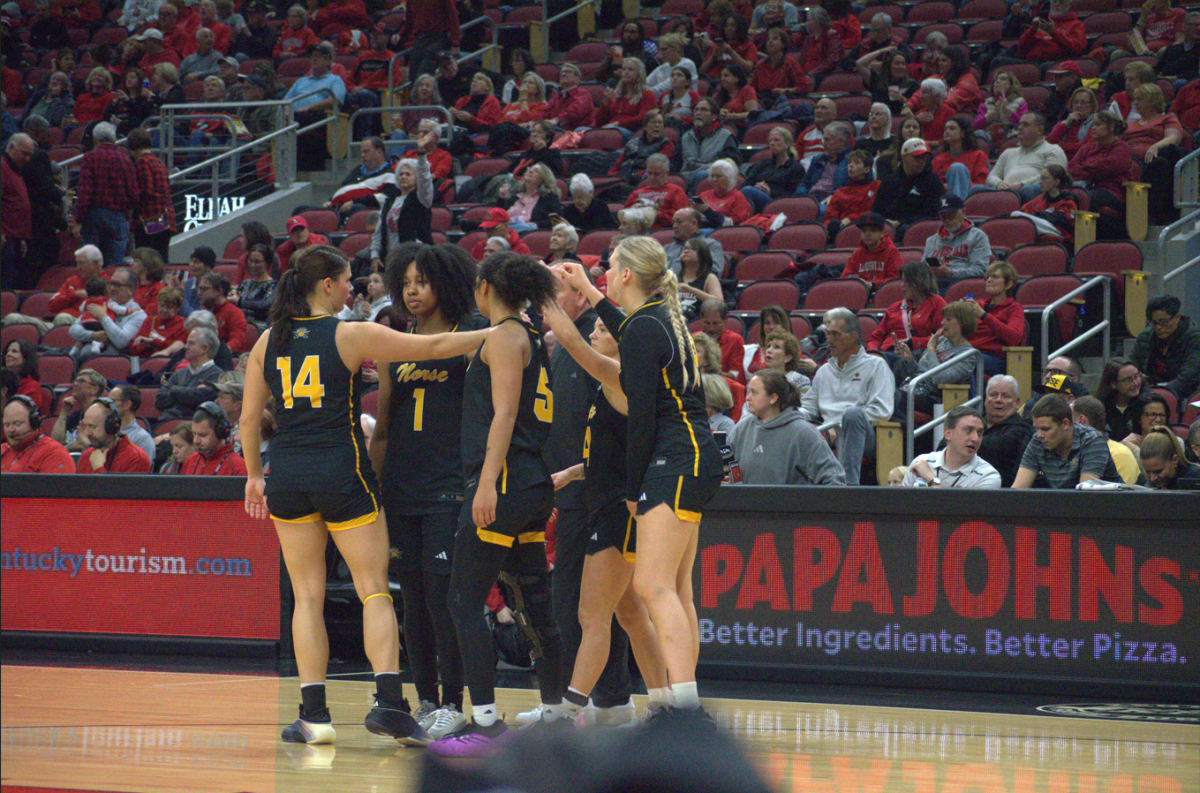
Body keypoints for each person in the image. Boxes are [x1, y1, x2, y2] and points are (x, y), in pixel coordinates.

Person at [240, 244, 492, 747]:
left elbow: (248, 420)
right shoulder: (350, 333)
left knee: (306, 596)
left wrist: (252, 476)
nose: (351, 289)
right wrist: (499, 331)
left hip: (286, 474)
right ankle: (390, 704)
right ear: (326, 285)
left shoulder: (269, 339)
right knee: (374, 589)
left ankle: (313, 716)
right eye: (346, 281)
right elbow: (437, 347)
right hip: (341, 472)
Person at [556, 236, 723, 723]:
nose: (605, 273)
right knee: (675, 591)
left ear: (626, 273)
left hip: (675, 459)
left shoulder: (646, 326)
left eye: (609, 267)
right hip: (693, 457)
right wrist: (588, 289)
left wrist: (633, 491)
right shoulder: (650, 321)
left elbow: (644, 422)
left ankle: (685, 711)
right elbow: (623, 328)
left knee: (652, 587)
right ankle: (678, 704)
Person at [418, 253, 565, 756]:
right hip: (531, 483)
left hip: (503, 482)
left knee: (463, 600)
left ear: (485, 287)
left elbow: (503, 415)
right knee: (533, 603)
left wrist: (485, 483)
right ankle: (555, 715)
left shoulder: (503, 336)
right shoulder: (528, 333)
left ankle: (484, 724)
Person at [364, 244, 475, 739]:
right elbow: (384, 427)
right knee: (410, 597)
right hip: (401, 486)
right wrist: (373, 485)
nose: (412, 291)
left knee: (442, 596)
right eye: (406, 283)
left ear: (445, 284)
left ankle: (454, 701)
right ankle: (426, 698)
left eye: (422, 282)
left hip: (449, 486)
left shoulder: (469, 340)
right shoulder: (395, 346)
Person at [801, 308, 895, 485]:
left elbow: (881, 411)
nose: (830, 340)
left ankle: (849, 485)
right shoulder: (824, 371)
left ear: (853, 336)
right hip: (828, 431)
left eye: (836, 334)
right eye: (828, 334)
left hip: (865, 436)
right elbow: (808, 408)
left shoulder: (876, 365)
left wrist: (838, 427)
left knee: (852, 414)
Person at [728, 370, 843, 485]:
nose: (747, 398)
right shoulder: (741, 428)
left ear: (773, 398)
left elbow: (834, 480)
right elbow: (726, 469)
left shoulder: (804, 433)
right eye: (748, 392)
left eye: (754, 393)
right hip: (745, 497)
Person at [1013, 394, 1121, 488]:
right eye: (1036, 428)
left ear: (1065, 424)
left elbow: (1086, 495)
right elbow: (1018, 490)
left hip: (1109, 504)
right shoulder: (1038, 442)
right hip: (1066, 503)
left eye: (1046, 429)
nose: (1039, 435)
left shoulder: (1092, 441)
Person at [72, 122, 138, 267]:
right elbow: (134, 195)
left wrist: (79, 219)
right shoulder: (126, 160)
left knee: (91, 265)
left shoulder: (90, 157)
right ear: (114, 139)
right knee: (115, 265)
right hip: (118, 217)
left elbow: (85, 191)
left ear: (95, 139)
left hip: (93, 216)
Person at [1121, 83, 1186, 226]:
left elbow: (1174, 138)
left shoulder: (1166, 119)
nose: (1135, 103)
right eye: (1135, 99)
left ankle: (1150, 214)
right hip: (1127, 161)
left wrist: (1154, 146)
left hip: (1150, 159)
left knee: (1161, 162)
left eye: (1140, 99)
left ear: (1153, 101)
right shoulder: (1129, 124)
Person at [370, 129, 436, 269]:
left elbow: (425, 179)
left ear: (416, 178)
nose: (403, 177)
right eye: (400, 174)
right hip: (392, 260)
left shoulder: (422, 197)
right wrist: (375, 255)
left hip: (416, 258)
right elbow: (379, 231)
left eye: (408, 174)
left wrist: (421, 154)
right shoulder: (389, 201)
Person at [1067, 109, 1133, 239]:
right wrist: (1091, 169)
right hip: (1087, 187)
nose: (1093, 128)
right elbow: (1072, 169)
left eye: (1098, 124)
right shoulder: (1087, 147)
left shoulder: (1122, 148)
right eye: (1093, 124)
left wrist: (1085, 167)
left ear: (1111, 127)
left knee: (1087, 197)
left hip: (1113, 192)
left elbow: (1107, 167)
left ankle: (1080, 240)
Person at [977, 113, 1068, 203]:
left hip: (1030, 192)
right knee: (976, 189)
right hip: (1004, 191)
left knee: (1027, 190)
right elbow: (991, 176)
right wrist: (998, 183)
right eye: (1019, 124)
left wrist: (1022, 184)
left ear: (1039, 130)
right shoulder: (1008, 152)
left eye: (1026, 125)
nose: (1020, 128)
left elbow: (1053, 178)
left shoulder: (1053, 150)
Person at [903, 406, 1000, 488]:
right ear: (948, 434)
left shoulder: (987, 476)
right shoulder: (921, 463)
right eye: (968, 431)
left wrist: (931, 479)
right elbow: (903, 503)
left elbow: (950, 505)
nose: (975, 438)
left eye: (979, 433)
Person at [867, 260, 945, 356]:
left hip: (913, 355)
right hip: (884, 354)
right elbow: (876, 338)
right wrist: (873, 353)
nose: (901, 285)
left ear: (919, 282)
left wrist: (912, 342)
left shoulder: (936, 303)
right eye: (902, 281)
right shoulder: (894, 307)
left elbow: (943, 338)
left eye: (906, 281)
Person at [1131, 294, 1200, 401]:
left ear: (1177, 318)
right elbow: (1132, 364)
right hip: (1149, 393)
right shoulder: (1145, 337)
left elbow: (1188, 379)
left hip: (1184, 397)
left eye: (1163, 322)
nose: (1158, 327)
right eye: (1154, 323)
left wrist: (1157, 394)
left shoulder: (1194, 338)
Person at [67, 267, 148, 357]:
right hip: (91, 350)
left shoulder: (138, 315)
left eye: (117, 285)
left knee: (87, 353)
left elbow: (122, 342)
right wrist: (93, 335)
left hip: (115, 358)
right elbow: (73, 330)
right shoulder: (101, 303)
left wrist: (103, 317)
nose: (112, 289)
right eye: (111, 283)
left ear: (131, 290)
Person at [871, 138, 944, 236]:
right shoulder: (889, 181)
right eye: (917, 157)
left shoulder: (932, 181)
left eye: (923, 157)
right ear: (904, 157)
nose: (921, 161)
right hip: (888, 228)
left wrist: (900, 223)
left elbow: (933, 214)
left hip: (917, 229)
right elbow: (877, 210)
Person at [963, 261, 1024, 376]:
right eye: (987, 277)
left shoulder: (1014, 308)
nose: (989, 280)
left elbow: (1014, 337)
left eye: (995, 277)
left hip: (994, 358)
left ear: (1008, 284)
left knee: (965, 360)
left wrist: (983, 315)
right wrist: (959, 314)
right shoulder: (979, 305)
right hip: (969, 352)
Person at [155, 327, 225, 421]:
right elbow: (159, 400)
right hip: (166, 422)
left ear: (205, 348)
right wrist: (190, 395)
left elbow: (200, 400)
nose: (185, 347)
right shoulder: (179, 373)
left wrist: (173, 390)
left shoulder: (217, 375)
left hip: (194, 425)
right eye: (186, 343)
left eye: (191, 343)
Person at [127, 127, 176, 260]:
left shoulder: (142, 162)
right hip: (165, 217)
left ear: (133, 147)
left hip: (150, 218)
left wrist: (130, 199)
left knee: (146, 259)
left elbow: (146, 191)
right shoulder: (158, 161)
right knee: (160, 258)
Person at [978, 374, 1033, 488]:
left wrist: (961, 440)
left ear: (1017, 403)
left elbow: (995, 449)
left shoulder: (1022, 429)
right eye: (993, 395)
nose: (998, 400)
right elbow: (944, 444)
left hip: (1002, 490)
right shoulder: (972, 420)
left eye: (1006, 396)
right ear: (985, 399)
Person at [1072, 396, 1140, 485]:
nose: (1066, 426)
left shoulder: (1119, 454)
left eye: (1070, 419)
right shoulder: (1073, 452)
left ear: (1081, 420)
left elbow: (1124, 492)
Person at [673, 98, 739, 189]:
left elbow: (729, 166)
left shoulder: (725, 137)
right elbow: (675, 163)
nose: (698, 113)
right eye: (696, 110)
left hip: (710, 179)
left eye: (704, 110)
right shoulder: (686, 137)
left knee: (702, 175)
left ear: (714, 117)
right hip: (685, 177)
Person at [75, 398, 153, 473]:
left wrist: (98, 468)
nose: (87, 433)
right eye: (86, 426)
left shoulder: (136, 458)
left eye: (92, 426)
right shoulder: (87, 455)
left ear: (110, 426)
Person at [740, 126, 806, 214]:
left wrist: (770, 192)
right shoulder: (763, 164)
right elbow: (746, 184)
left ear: (787, 144)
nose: (772, 143)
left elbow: (793, 195)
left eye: (776, 140)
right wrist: (757, 187)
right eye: (770, 140)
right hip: (756, 198)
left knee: (747, 191)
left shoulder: (796, 168)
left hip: (778, 204)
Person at [1, 395, 73, 473]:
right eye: (7, 425)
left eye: (17, 424)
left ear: (34, 423)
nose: (11, 430)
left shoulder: (54, 453)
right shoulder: (2, 449)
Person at [1016, 164, 1078, 246]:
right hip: (1043, 228)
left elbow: (1064, 222)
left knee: (1018, 216)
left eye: (1044, 179)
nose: (1040, 182)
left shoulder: (1068, 201)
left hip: (1061, 232)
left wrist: (1038, 214)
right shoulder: (1040, 200)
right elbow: (1023, 211)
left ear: (1056, 182)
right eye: (1040, 178)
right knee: (1016, 216)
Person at [824, 150, 880, 238]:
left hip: (864, 228)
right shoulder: (839, 192)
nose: (850, 165)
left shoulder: (875, 186)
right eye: (849, 162)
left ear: (867, 169)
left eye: (856, 163)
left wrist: (849, 219)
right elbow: (830, 218)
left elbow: (871, 211)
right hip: (838, 231)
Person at [0, 134, 32, 290]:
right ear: (11, 147)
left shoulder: (14, 169)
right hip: (4, 238)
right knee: (4, 286)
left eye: (30, 155)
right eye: (24, 153)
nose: (27, 159)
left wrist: (22, 237)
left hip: (13, 236)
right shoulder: (2, 167)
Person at [624, 154, 689, 230]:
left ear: (666, 173)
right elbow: (623, 218)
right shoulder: (636, 193)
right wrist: (631, 211)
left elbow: (680, 219)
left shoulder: (676, 191)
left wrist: (655, 215)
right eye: (649, 173)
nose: (652, 177)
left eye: (656, 174)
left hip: (663, 230)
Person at [179, 401, 246, 474]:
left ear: (220, 432)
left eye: (202, 435)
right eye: (194, 434)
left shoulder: (238, 467)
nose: (196, 441)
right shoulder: (190, 461)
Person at [795, 121, 853, 206]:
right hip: (810, 199)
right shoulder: (817, 159)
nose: (823, 144)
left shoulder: (852, 162)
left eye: (827, 140)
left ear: (841, 141)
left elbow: (849, 189)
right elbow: (804, 183)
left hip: (830, 202)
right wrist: (801, 196)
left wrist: (834, 197)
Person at [50, 368, 106, 452]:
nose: (75, 384)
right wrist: (64, 412)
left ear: (94, 389)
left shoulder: (102, 416)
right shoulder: (75, 416)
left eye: (81, 381)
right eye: (76, 381)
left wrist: (64, 449)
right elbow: (55, 443)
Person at [935, 115, 990, 201]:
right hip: (942, 199)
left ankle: (958, 208)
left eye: (952, 128)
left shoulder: (979, 156)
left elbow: (982, 184)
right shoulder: (937, 160)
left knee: (957, 167)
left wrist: (956, 184)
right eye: (945, 129)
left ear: (963, 133)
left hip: (971, 198)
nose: (947, 132)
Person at [841, 212, 900, 289]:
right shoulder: (857, 254)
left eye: (872, 230)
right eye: (864, 230)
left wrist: (873, 284)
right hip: (860, 292)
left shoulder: (891, 251)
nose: (867, 234)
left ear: (882, 233)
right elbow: (845, 279)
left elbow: (895, 280)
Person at [1095, 357, 1146, 442]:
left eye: (1136, 376)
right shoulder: (1100, 407)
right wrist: (1122, 444)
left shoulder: (1147, 401)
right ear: (1113, 384)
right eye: (1128, 380)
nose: (1135, 383)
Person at [664, 208, 725, 277]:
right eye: (673, 222)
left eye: (679, 222)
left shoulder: (710, 244)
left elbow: (714, 272)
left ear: (694, 224)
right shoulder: (667, 248)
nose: (674, 226)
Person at [197, 271, 247, 353]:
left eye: (204, 289)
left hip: (223, 357)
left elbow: (237, 341)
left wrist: (219, 353)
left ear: (219, 291)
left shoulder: (234, 313)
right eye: (199, 289)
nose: (199, 293)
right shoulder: (202, 312)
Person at [858, 47, 916, 116]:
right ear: (888, 66)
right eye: (897, 63)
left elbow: (917, 106)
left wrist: (904, 100)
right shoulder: (877, 80)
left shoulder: (912, 85)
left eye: (903, 64)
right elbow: (859, 64)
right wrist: (881, 51)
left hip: (901, 120)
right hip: (878, 118)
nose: (901, 67)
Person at [751, 27, 806, 100]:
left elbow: (803, 87)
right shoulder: (760, 65)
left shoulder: (790, 63)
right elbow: (752, 89)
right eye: (768, 39)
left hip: (784, 99)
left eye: (775, 39)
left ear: (783, 44)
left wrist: (785, 91)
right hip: (764, 100)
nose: (770, 41)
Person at [107, 384, 156, 464]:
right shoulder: (104, 431)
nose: (107, 405)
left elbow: (141, 470)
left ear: (127, 404)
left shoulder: (142, 439)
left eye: (111, 401)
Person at [694, 159, 751, 227]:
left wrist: (708, 212)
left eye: (718, 176)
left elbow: (733, 225)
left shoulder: (738, 197)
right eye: (712, 176)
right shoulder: (704, 195)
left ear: (729, 177)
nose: (714, 179)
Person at [1046, 87, 1099, 160]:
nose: (1078, 105)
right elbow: (1048, 143)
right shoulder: (1063, 123)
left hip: (1083, 161)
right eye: (1076, 102)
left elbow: (1087, 147)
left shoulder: (1096, 123)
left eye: (1083, 102)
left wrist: (1057, 146)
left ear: (1092, 106)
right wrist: (1066, 124)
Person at [699, 299, 745, 383]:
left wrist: (715, 373)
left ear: (725, 320)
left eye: (715, 323)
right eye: (707, 323)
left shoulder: (735, 340)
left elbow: (735, 376)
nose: (711, 328)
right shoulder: (694, 339)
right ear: (701, 319)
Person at [233, 245, 278, 328]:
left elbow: (265, 305)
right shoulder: (243, 284)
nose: (252, 265)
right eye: (250, 261)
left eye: (257, 262)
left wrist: (239, 301)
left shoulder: (273, 285)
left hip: (262, 328)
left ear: (267, 263)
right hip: (241, 324)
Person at [677, 239, 724, 319]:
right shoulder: (674, 277)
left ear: (703, 255)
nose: (686, 251)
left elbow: (719, 303)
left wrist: (690, 289)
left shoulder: (709, 278)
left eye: (693, 249)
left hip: (697, 320)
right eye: (685, 248)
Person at [973, 72, 1028, 136]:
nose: (998, 81)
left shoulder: (1020, 102)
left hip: (1012, 136)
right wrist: (992, 115)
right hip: (990, 137)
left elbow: (1026, 125)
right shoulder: (985, 104)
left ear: (1011, 84)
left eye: (1003, 79)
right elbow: (975, 126)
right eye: (996, 80)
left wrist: (1008, 112)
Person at [545, 63, 595, 131]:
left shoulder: (583, 94)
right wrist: (534, 121)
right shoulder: (556, 99)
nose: (563, 74)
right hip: (560, 131)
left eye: (568, 72)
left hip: (579, 132)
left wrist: (557, 119)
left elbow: (575, 111)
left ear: (577, 79)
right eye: (562, 73)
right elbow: (544, 112)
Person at [4, 339, 48, 416]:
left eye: (14, 351)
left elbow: (20, 414)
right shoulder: (3, 381)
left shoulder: (32, 386)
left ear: (25, 358)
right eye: (7, 351)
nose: (8, 354)